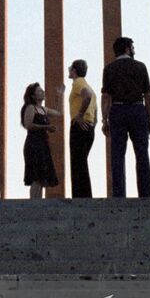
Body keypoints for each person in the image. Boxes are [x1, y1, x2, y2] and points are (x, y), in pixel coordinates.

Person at [100, 36, 150, 198]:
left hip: (117, 110)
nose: (134, 50)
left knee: (117, 155)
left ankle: (119, 195)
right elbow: (148, 95)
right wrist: (148, 117)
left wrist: (105, 119)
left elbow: (105, 97)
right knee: (142, 153)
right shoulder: (140, 67)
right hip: (138, 110)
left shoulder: (109, 69)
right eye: (132, 47)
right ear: (127, 49)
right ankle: (145, 195)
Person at [20, 82, 63, 199]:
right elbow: (28, 125)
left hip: (43, 144)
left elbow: (59, 113)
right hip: (33, 144)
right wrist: (46, 127)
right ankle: (33, 202)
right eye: (40, 91)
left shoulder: (44, 109)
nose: (43, 92)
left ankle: (38, 201)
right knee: (36, 176)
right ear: (33, 96)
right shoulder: (30, 107)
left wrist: (59, 96)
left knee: (42, 176)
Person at [66, 59, 96, 198]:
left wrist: (79, 115)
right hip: (88, 127)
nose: (68, 70)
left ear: (74, 71)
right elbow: (95, 110)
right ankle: (85, 196)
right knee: (81, 162)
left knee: (77, 163)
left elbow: (87, 95)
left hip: (79, 126)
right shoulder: (88, 85)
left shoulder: (78, 82)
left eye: (70, 68)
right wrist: (93, 125)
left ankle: (80, 197)